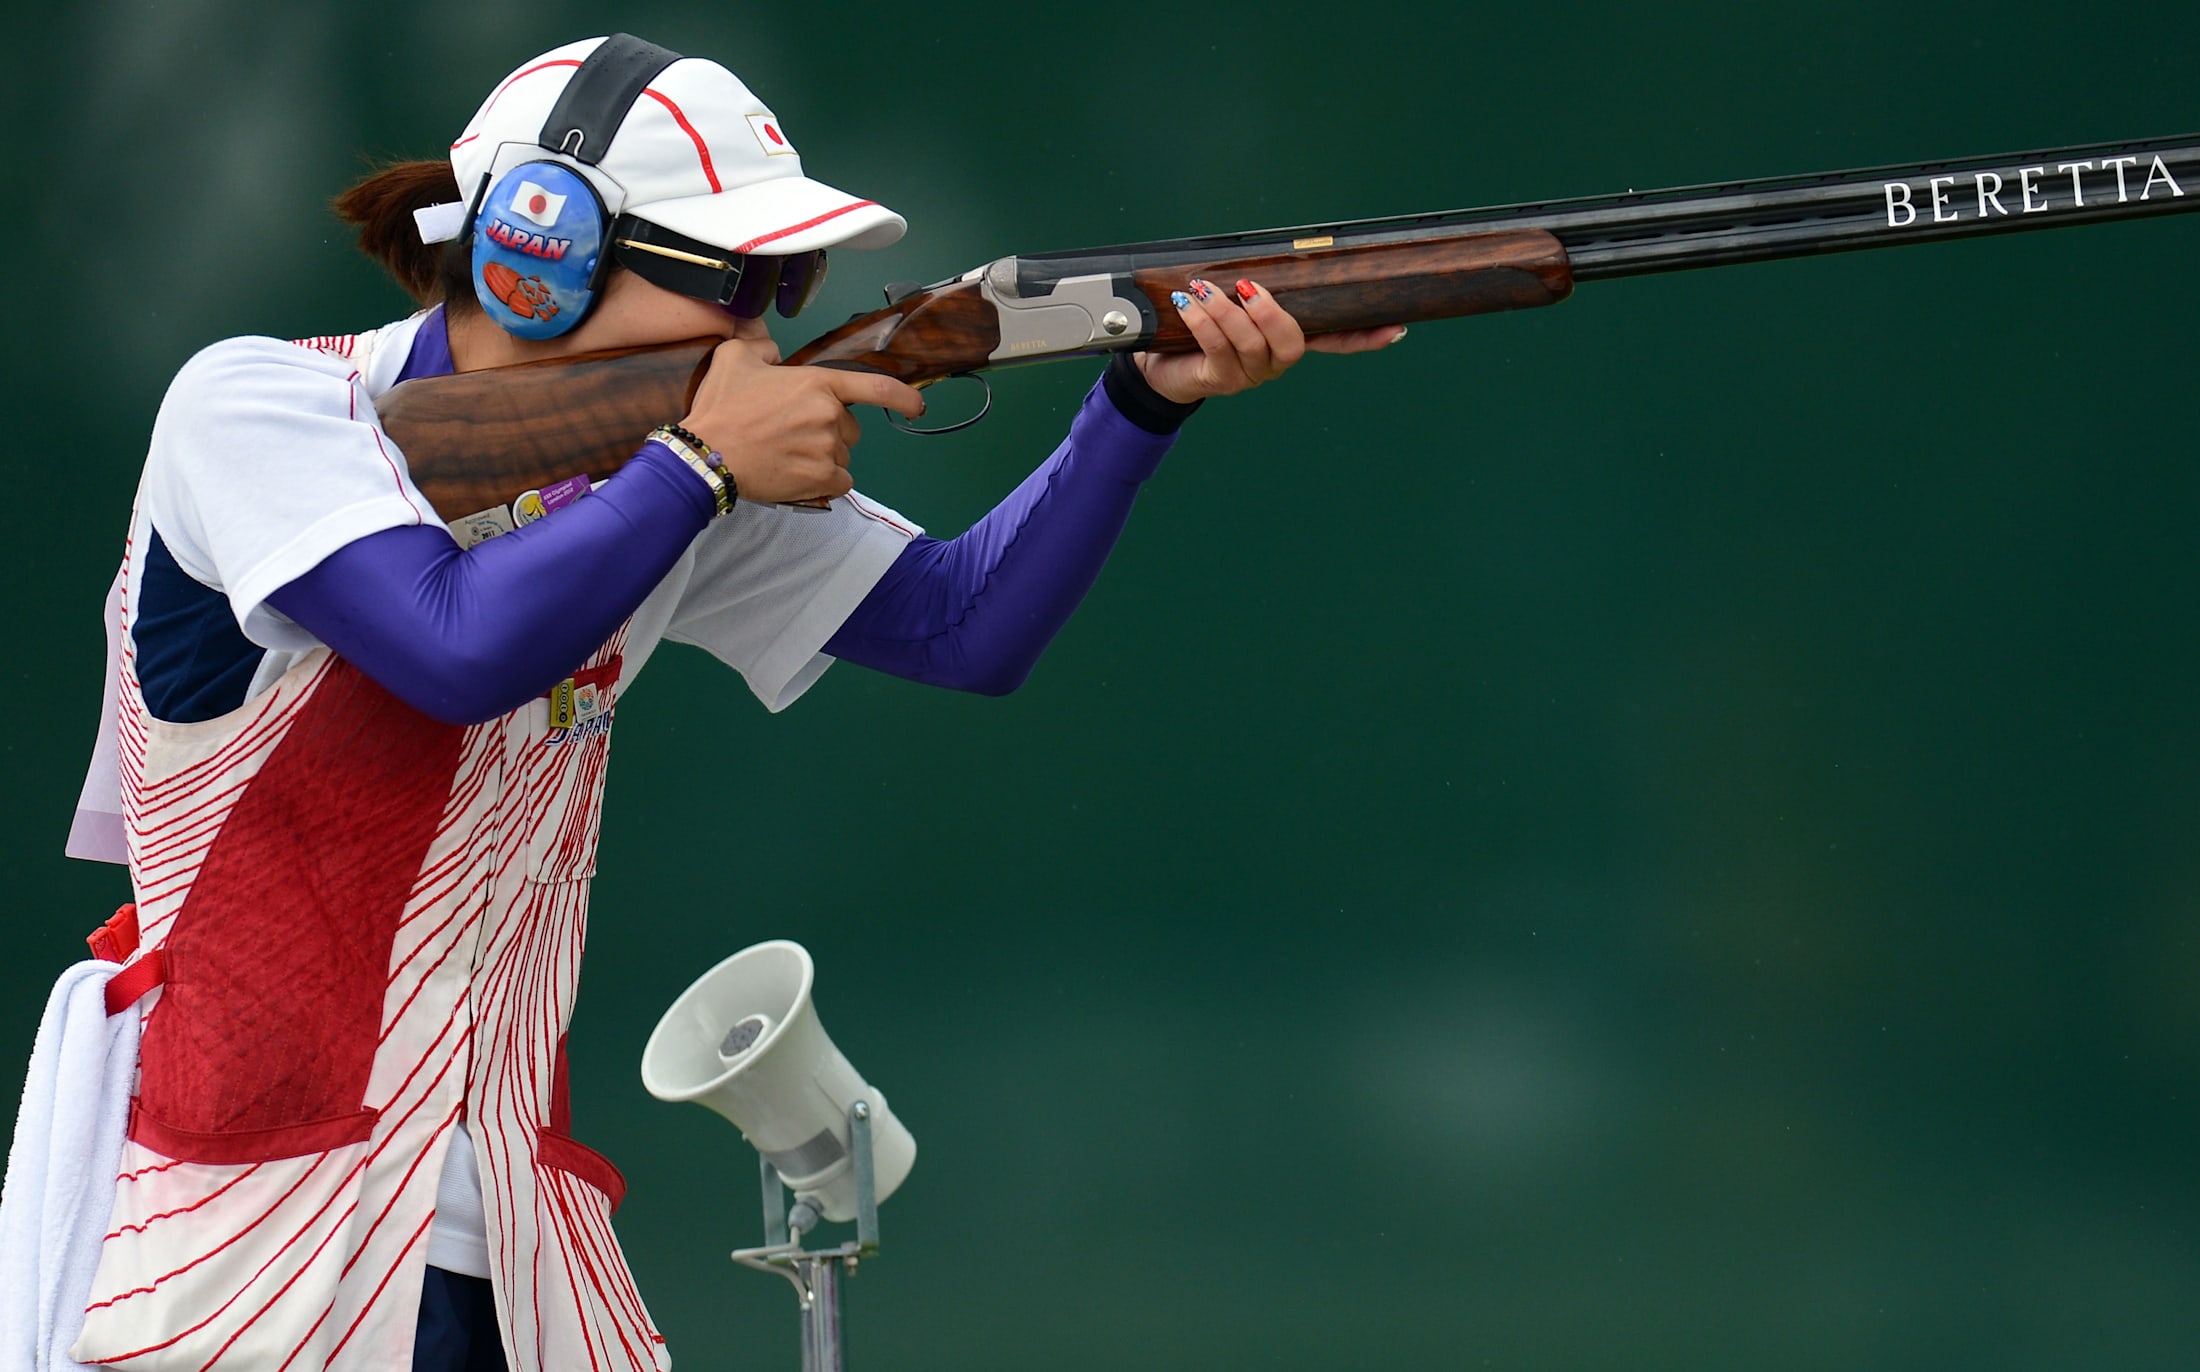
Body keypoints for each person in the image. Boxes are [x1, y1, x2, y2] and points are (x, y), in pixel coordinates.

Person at [46, 33, 1402, 1372]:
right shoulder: (263, 409)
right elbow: (451, 649)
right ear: (539, 251)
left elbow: (964, 627)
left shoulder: (660, 483)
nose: (772, 317)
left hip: (518, 1257)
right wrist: (698, 466)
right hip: (243, 1274)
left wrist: (1137, 404)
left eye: (790, 275)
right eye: (741, 275)